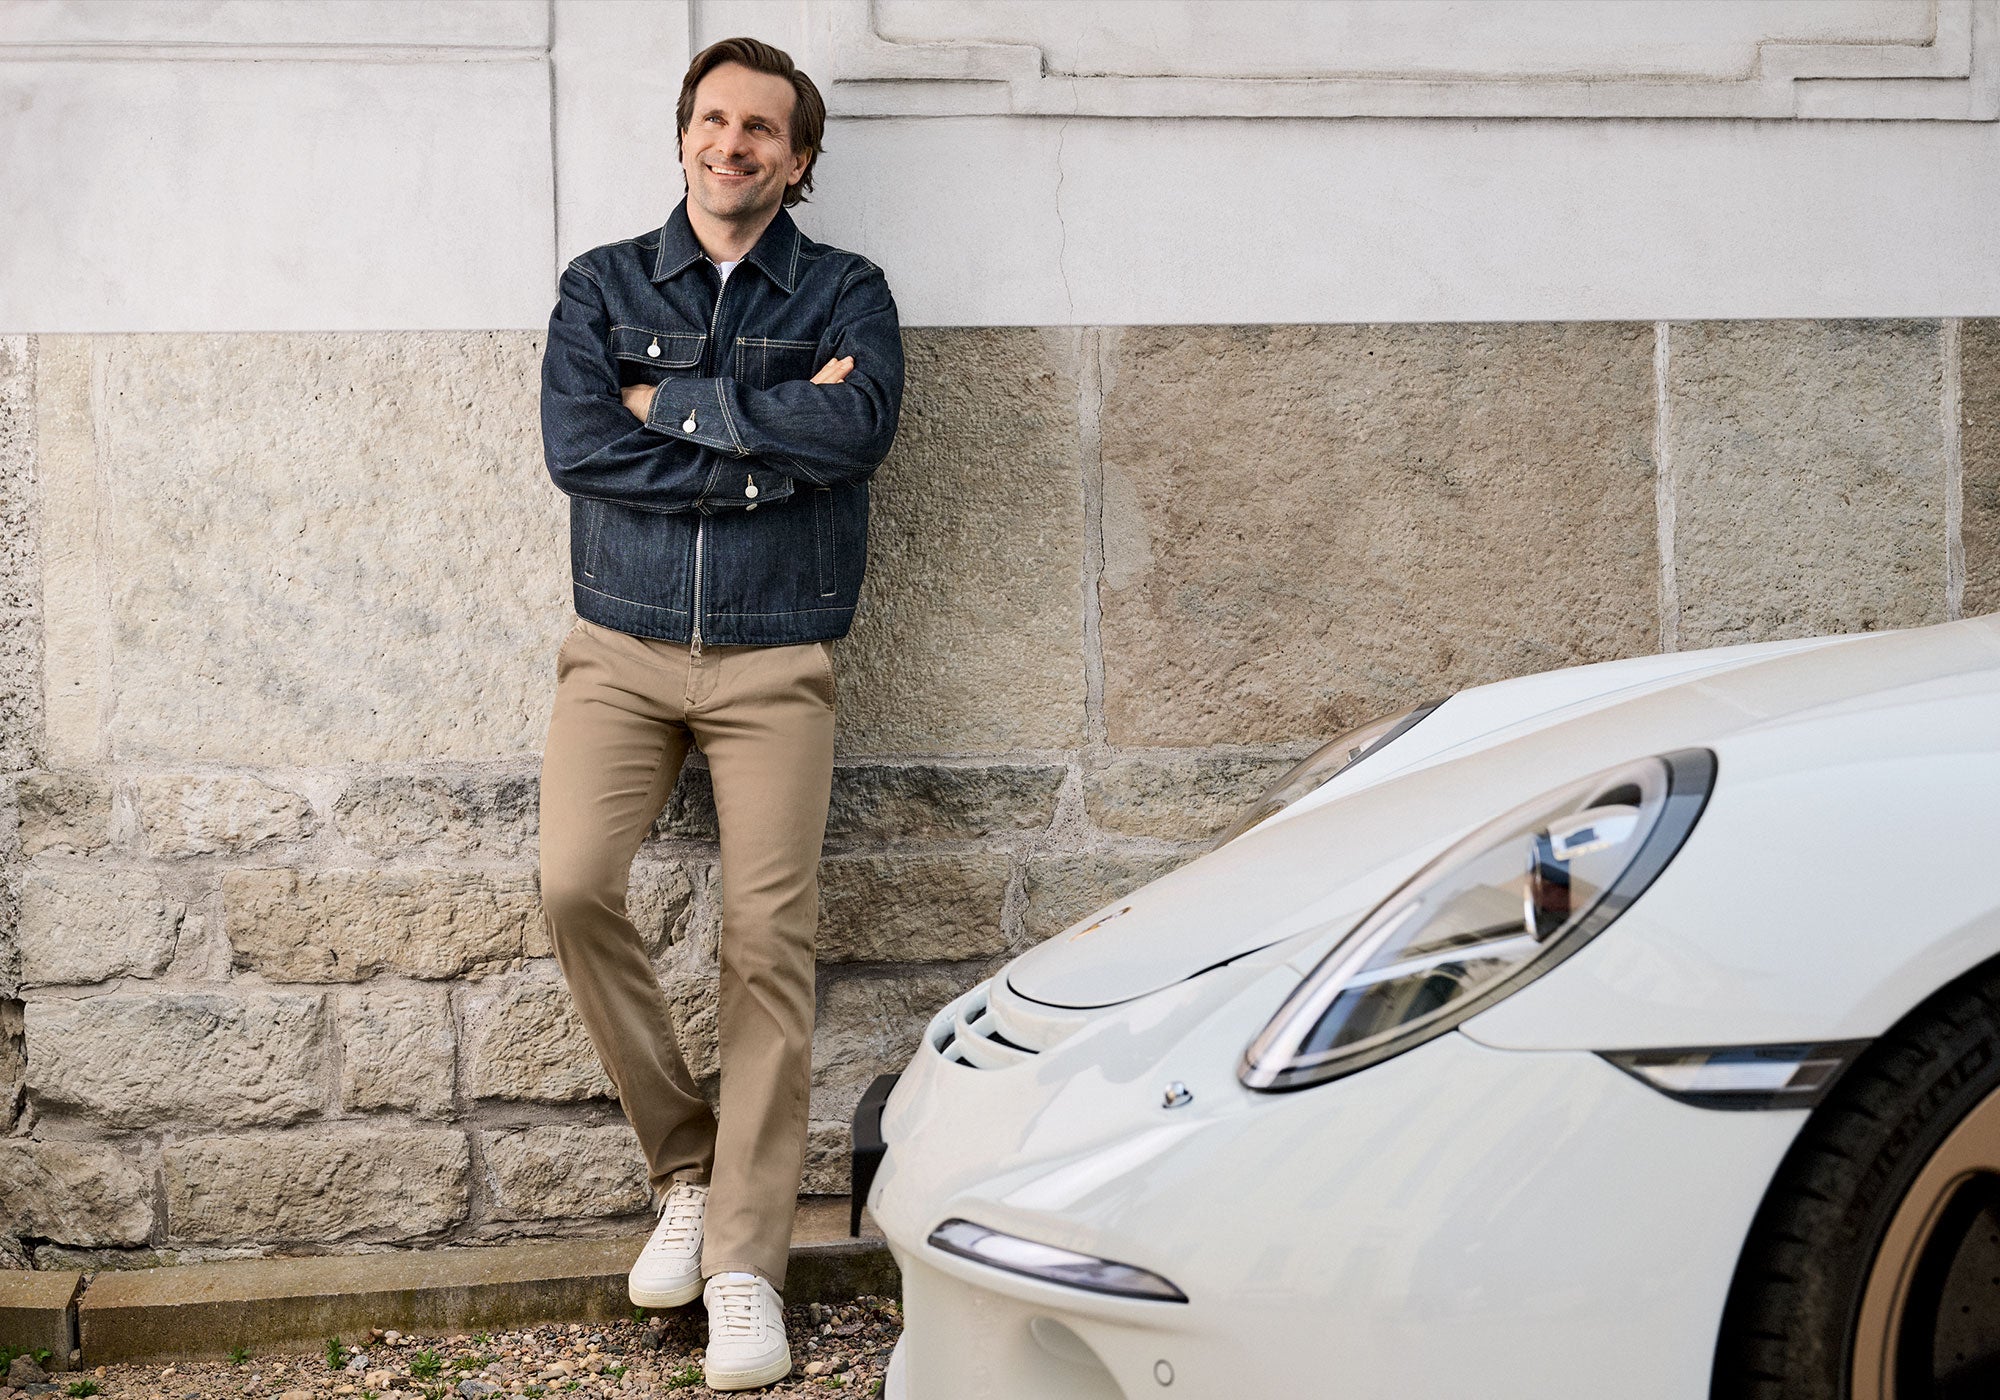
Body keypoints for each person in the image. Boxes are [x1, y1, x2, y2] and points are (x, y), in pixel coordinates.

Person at [535, 35, 903, 1393]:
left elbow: (856, 436)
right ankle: (685, 1170)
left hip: (774, 660)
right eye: (713, 120)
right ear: (684, 134)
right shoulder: (602, 285)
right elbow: (582, 446)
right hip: (619, 650)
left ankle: (746, 1263)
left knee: (766, 944)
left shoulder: (850, 291)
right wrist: (761, 442)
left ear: (798, 161)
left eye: (761, 129)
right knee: (572, 886)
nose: (731, 144)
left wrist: (670, 409)